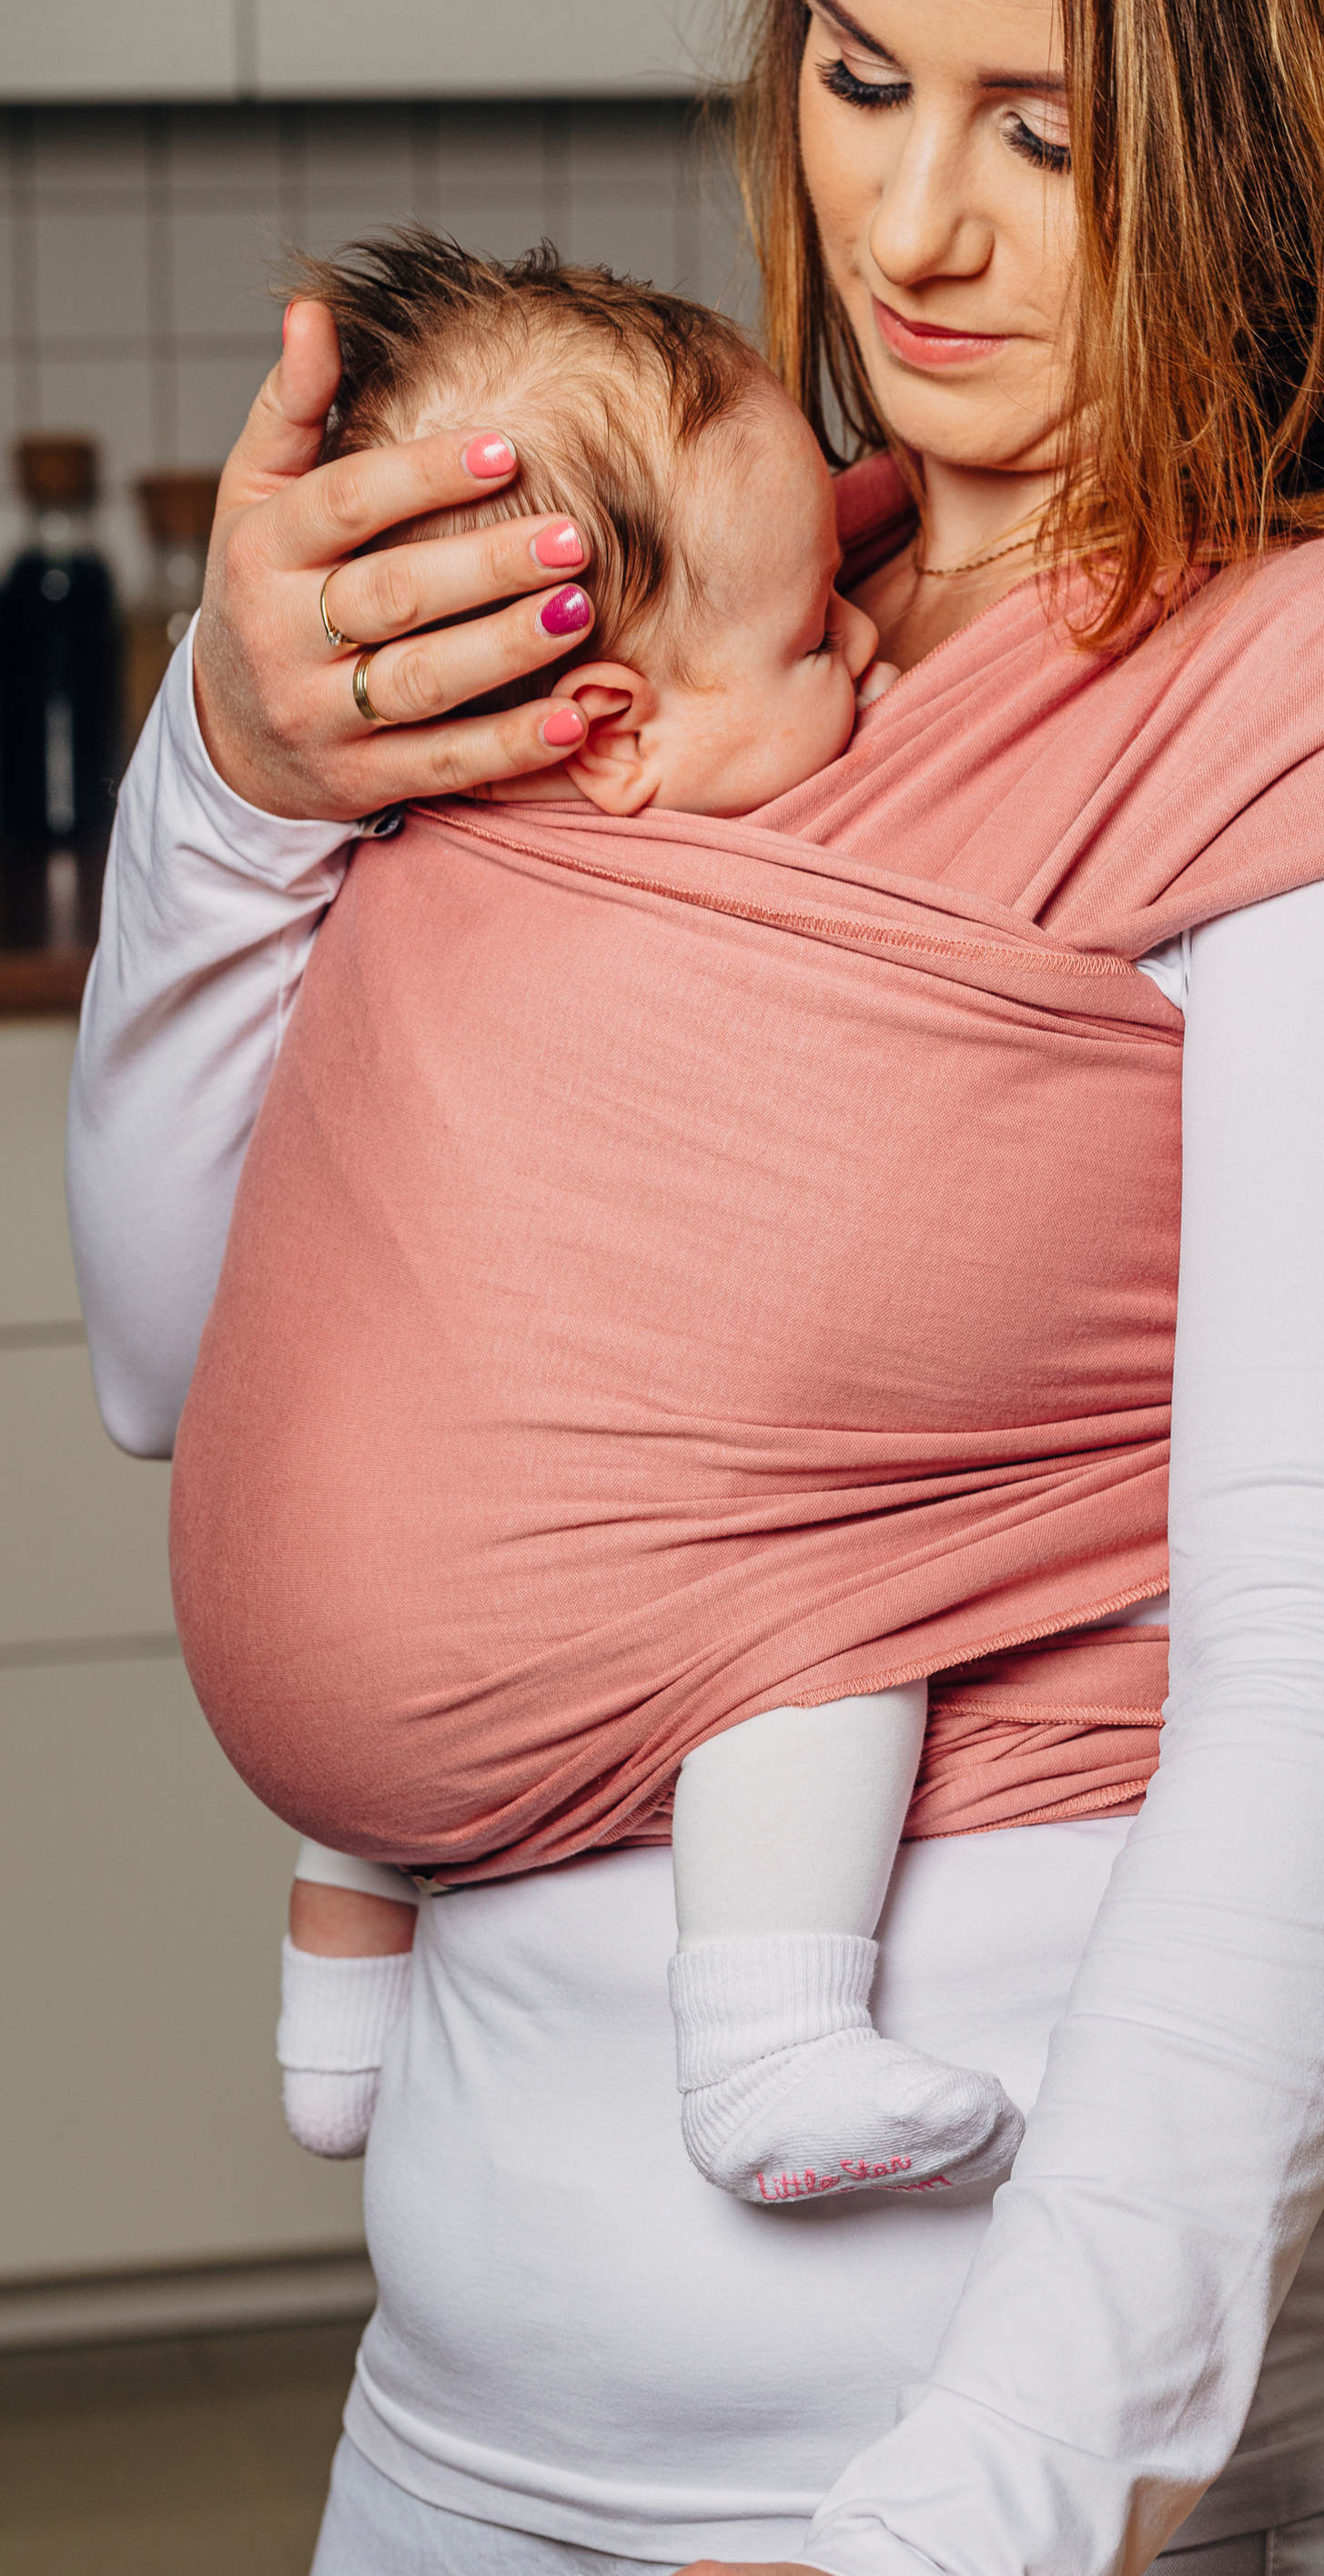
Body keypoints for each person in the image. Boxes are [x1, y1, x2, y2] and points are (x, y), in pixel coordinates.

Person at [67, 0, 1324, 2571]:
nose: (911, 227)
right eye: (856, 72)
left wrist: (982, 2519)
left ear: (1292, 134)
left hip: (1076, 2504)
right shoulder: (718, 623)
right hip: (457, 2452)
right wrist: (235, 779)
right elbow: (192, 1360)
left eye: (1052, 129)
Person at [230, 230, 1022, 2206]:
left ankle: (337, 2002)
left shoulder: (389, 863)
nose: (858, 647)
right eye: (807, 641)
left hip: (286, 1635)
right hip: (521, 1638)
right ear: (617, 740)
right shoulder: (701, 892)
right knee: (825, 1584)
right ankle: (763, 2039)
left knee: (405, 1437)